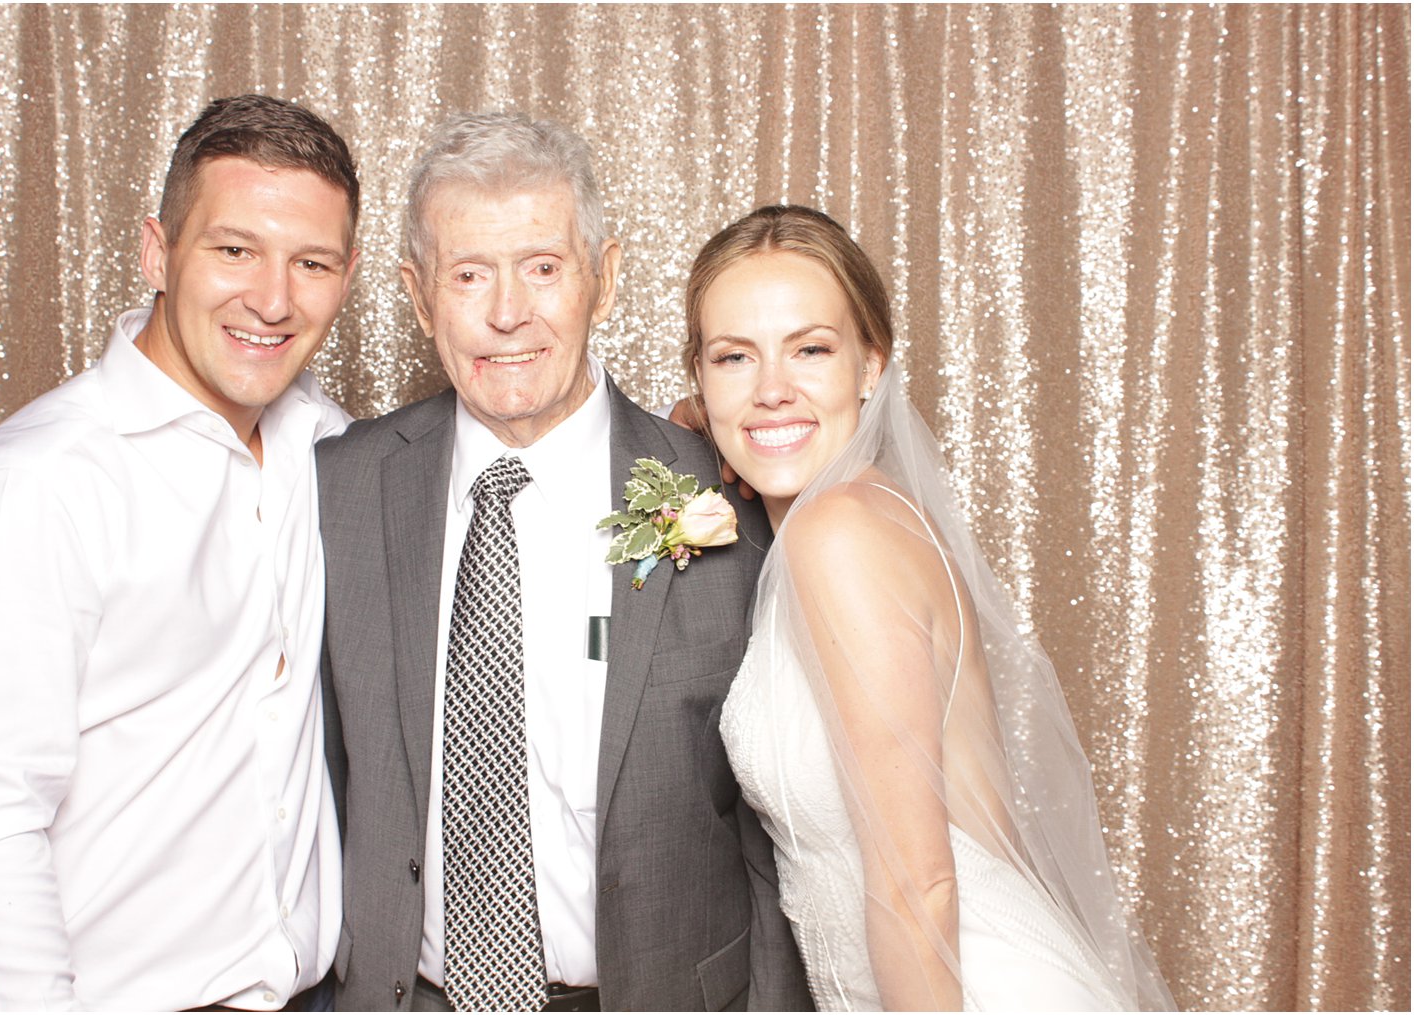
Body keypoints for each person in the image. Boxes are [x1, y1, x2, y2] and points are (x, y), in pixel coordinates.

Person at [315, 112, 810, 1012]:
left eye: (543, 267)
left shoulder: (734, 496)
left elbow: (788, 835)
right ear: (420, 297)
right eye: (470, 276)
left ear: (605, 278)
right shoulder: (337, 489)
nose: (509, 313)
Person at [0, 94, 361, 1010]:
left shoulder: (332, 448)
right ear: (157, 251)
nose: (272, 298)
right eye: (234, 250)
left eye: (310, 262)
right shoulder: (33, 487)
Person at [684, 204, 1175, 1011]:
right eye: (736, 357)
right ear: (700, 380)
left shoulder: (838, 534)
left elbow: (921, 883)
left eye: (811, 349)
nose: (773, 389)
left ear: (871, 367)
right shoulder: (862, 511)